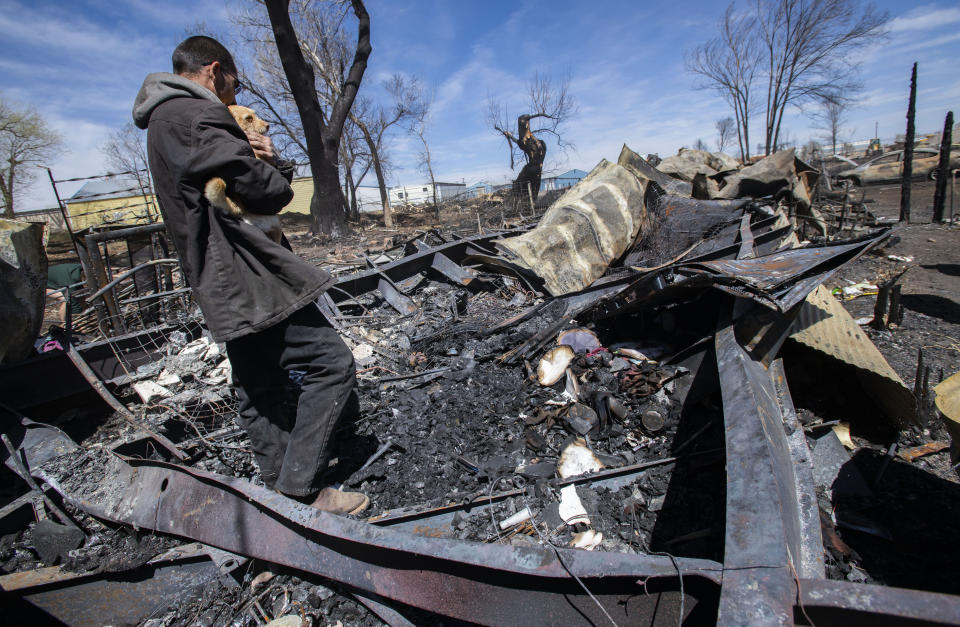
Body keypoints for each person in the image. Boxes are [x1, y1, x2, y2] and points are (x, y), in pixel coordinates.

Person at [132, 36, 367, 515]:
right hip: (249, 274)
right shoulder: (196, 115)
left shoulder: (161, 123)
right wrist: (272, 160)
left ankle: (278, 491)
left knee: (257, 386)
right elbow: (264, 192)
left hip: (215, 276)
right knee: (331, 365)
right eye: (233, 84)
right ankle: (301, 488)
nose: (233, 97)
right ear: (215, 70)